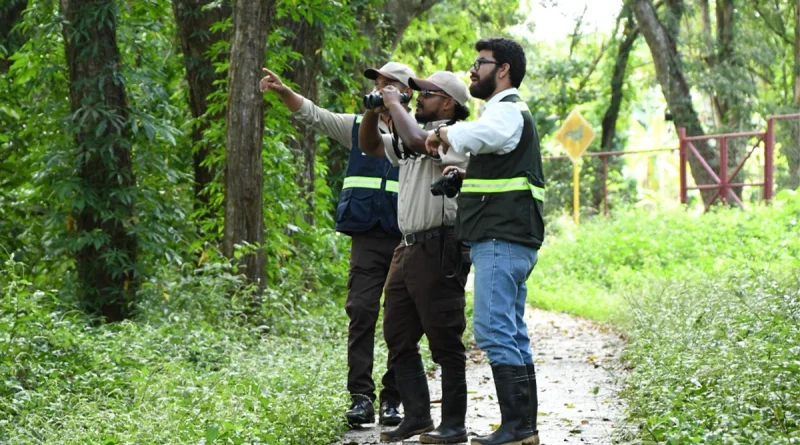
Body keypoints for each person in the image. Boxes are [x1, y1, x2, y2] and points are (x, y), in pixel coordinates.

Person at [258, 62, 417, 427]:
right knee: (361, 312)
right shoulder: (357, 127)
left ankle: (393, 397)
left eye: (388, 84)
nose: (380, 90)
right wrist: (284, 92)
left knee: (400, 320)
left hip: (405, 238)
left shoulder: (416, 132)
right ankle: (361, 397)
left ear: (407, 90)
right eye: (377, 84)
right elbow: (315, 115)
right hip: (366, 237)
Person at [424, 37, 545, 445]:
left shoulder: (507, 111)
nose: (473, 70)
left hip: (502, 237)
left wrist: (443, 133)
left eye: (481, 62)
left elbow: (481, 136)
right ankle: (523, 428)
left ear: (503, 69)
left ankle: (516, 428)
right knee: (510, 330)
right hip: (507, 236)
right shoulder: (505, 116)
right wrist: (465, 179)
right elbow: (497, 161)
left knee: (493, 329)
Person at [358, 70, 471, 444]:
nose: (417, 97)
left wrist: (392, 103)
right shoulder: (412, 132)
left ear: (449, 103)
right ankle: (418, 416)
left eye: (427, 94)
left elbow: (420, 141)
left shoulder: (456, 137)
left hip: (441, 245)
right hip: (406, 246)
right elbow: (371, 147)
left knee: (445, 340)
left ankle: (453, 424)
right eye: (417, 94)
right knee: (397, 335)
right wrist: (374, 112)